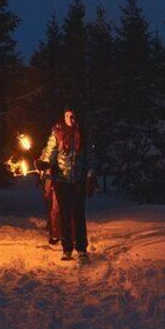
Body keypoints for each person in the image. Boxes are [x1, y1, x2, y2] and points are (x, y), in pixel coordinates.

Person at [37, 106, 97, 261]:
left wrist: (90, 175)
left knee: (78, 213)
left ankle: (81, 248)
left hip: (78, 180)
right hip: (61, 181)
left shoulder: (83, 133)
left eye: (73, 116)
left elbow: (91, 157)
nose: (71, 119)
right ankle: (67, 249)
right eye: (68, 115)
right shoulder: (57, 132)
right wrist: (44, 163)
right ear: (63, 117)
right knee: (64, 215)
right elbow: (50, 152)